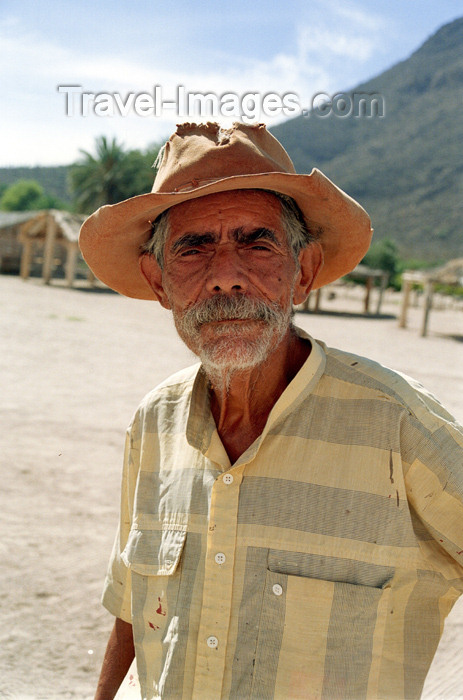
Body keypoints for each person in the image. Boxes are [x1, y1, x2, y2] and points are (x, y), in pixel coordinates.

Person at [79, 122, 463, 700]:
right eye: (194, 246)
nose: (226, 276)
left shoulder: (400, 425)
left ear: (302, 273)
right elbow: (135, 604)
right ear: (159, 282)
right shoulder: (153, 423)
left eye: (256, 242)